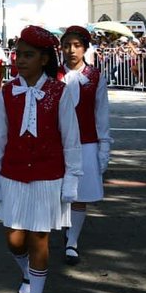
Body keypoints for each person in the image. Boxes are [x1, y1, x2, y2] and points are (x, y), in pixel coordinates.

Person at [0, 25, 82, 293]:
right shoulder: (7, 92)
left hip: (47, 174)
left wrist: (71, 179)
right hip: (13, 173)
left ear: (44, 59)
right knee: (14, 239)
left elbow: (71, 139)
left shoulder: (59, 92)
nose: (20, 60)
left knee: (39, 237)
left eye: (28, 55)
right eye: (18, 54)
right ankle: (27, 275)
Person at [58, 25, 112, 265]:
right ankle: (59, 229)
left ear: (85, 48)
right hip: (56, 143)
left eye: (77, 45)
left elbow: (102, 113)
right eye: (67, 45)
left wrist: (104, 147)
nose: (71, 50)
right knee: (57, 192)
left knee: (80, 194)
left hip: (86, 143)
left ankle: (72, 241)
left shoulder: (95, 76)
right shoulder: (52, 75)